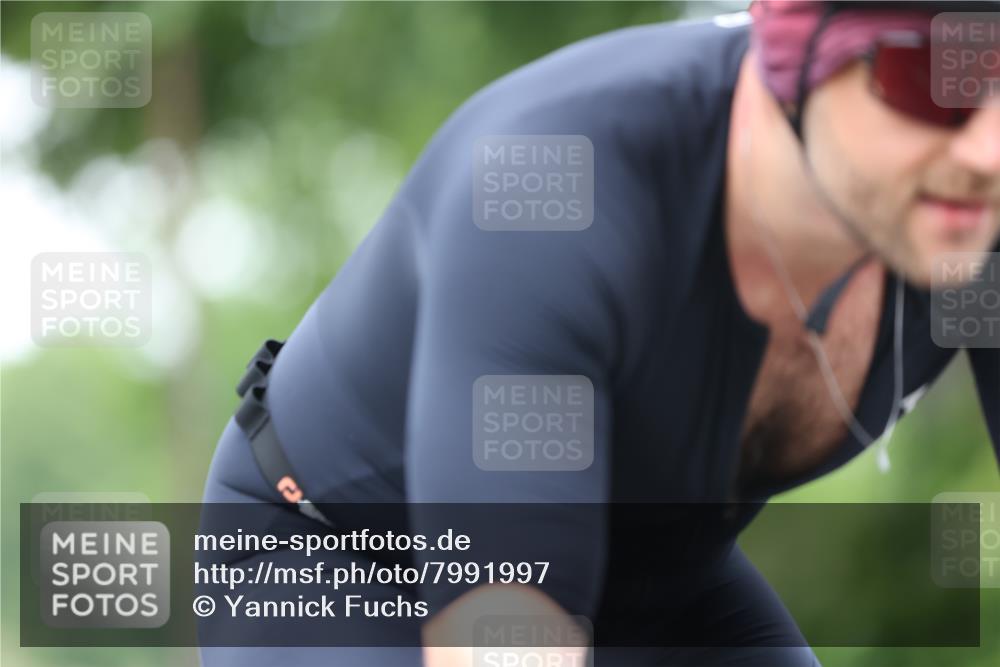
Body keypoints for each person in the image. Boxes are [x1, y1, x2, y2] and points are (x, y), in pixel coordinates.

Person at [200, 1, 1000, 665]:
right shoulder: (559, 187)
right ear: (796, 66)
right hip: (341, 557)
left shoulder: (976, 225)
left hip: (653, 571)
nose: (987, 146)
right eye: (930, 82)